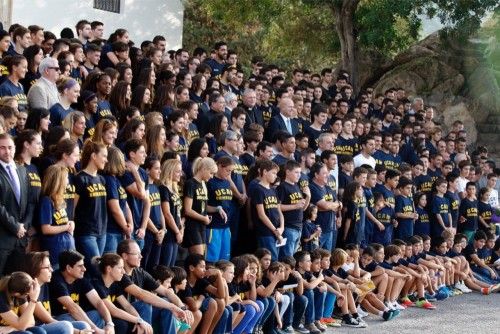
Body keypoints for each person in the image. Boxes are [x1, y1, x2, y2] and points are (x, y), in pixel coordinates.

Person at [49, 250, 114, 334]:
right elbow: (72, 308)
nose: (84, 269)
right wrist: (95, 329)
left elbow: (98, 302)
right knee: (82, 325)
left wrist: (110, 324)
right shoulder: (56, 280)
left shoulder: (80, 278)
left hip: (75, 315)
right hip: (59, 319)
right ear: (68, 268)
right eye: (80, 266)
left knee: (98, 314)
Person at [26, 251, 91, 334]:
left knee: (83, 325)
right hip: (36, 329)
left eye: (51, 266)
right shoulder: (30, 289)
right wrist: (79, 332)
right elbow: (48, 320)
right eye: (47, 267)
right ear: (35, 268)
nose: (51, 270)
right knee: (65, 326)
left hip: (45, 325)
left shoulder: (44, 285)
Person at [92, 253, 153, 334]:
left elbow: (127, 306)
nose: (123, 272)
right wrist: (139, 320)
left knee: (137, 319)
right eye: (120, 268)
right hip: (98, 319)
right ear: (109, 269)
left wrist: (139, 320)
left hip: (110, 318)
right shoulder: (97, 284)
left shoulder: (114, 285)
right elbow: (114, 310)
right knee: (121, 324)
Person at [73, 141, 108, 270]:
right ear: (94, 156)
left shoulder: (102, 179)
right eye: (104, 156)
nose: (106, 160)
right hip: (86, 232)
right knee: (96, 268)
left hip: (102, 232)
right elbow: (73, 207)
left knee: (98, 269)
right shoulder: (80, 179)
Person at [0, 133, 29, 275]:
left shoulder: (22, 170)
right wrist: (15, 226)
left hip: (20, 240)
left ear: (15, 148)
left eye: (10, 147)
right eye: (2, 148)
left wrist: (24, 227)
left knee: (17, 284)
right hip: (2, 239)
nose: (7, 151)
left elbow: (29, 201)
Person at [39, 165, 75, 269]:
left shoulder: (60, 200)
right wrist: (66, 227)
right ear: (58, 181)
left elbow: (64, 222)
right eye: (66, 178)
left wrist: (71, 224)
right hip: (56, 253)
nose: (68, 182)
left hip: (68, 251)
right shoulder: (47, 201)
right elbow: (46, 229)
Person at [248, 160, 284, 261]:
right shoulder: (258, 189)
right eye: (273, 173)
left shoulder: (273, 190)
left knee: (276, 259)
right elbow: (261, 214)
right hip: (266, 231)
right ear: (264, 172)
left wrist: (281, 228)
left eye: (276, 173)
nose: (275, 176)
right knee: (271, 260)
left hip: (277, 230)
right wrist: (275, 231)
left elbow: (279, 211)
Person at [183, 157, 218, 255]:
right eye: (211, 173)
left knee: (202, 258)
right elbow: (187, 210)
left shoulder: (203, 184)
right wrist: (203, 218)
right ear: (204, 169)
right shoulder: (190, 183)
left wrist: (217, 209)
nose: (212, 177)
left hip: (202, 226)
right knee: (198, 258)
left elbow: (203, 206)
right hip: (193, 226)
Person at [102, 146, 133, 253]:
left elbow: (125, 205)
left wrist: (130, 224)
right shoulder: (109, 180)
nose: (124, 163)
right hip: (111, 232)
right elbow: (115, 208)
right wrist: (125, 226)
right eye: (122, 159)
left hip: (120, 231)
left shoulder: (116, 180)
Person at [277, 160, 310, 258]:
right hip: (288, 227)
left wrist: (308, 197)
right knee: (287, 258)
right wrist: (295, 206)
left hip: (298, 227)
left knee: (293, 258)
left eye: (300, 172)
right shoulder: (282, 187)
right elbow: (277, 207)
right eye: (296, 172)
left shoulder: (296, 186)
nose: (299, 175)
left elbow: (303, 208)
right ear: (287, 172)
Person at [206, 156, 233, 262]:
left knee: (225, 260)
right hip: (214, 226)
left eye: (231, 171)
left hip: (226, 226)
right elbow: (204, 206)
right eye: (227, 170)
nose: (229, 174)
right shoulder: (210, 182)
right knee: (213, 259)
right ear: (220, 167)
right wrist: (217, 209)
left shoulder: (227, 183)